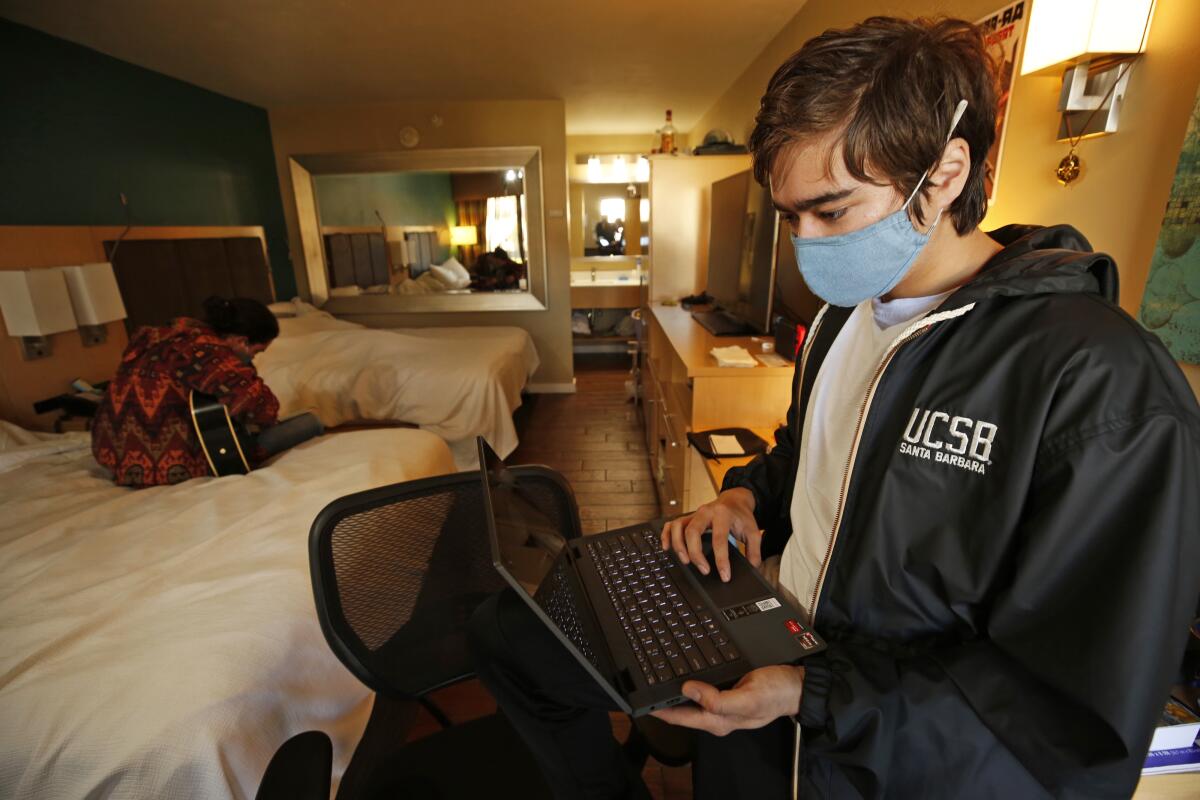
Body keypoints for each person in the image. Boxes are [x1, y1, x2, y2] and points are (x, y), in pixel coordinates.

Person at [469, 15, 1200, 799]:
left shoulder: (1098, 384)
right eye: (790, 217)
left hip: (876, 755)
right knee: (511, 636)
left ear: (946, 172)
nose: (806, 245)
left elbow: (1070, 723)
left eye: (832, 211)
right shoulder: (841, 320)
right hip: (774, 674)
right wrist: (748, 496)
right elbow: (812, 454)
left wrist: (812, 696)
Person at [91, 296, 322, 487]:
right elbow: (262, 407)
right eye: (257, 351)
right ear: (242, 341)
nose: (253, 358)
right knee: (310, 421)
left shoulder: (163, 337)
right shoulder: (208, 352)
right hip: (172, 466)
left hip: (114, 458)